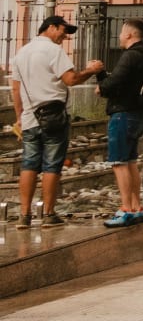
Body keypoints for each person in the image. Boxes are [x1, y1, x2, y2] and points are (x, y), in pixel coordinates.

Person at [8, 15, 104, 230]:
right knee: (52, 165)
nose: (64, 35)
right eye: (63, 30)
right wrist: (91, 70)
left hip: (30, 118)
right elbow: (71, 80)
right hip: (54, 117)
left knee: (29, 164)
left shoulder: (21, 53)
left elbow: (15, 89)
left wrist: (19, 117)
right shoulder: (53, 51)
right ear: (50, 27)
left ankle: (24, 216)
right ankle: (48, 214)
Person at [96, 19, 143, 227]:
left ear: (129, 34)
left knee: (119, 163)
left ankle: (126, 208)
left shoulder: (129, 56)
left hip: (122, 114)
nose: (119, 36)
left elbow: (115, 82)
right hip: (138, 114)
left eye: (121, 33)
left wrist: (101, 85)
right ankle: (137, 207)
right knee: (130, 162)